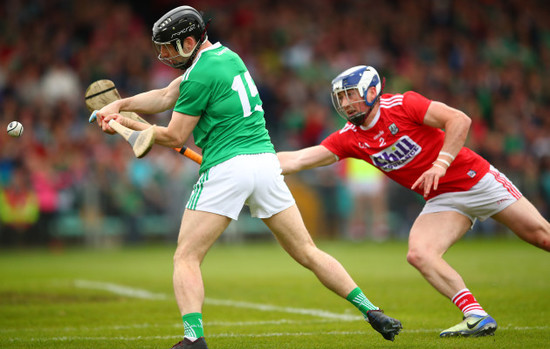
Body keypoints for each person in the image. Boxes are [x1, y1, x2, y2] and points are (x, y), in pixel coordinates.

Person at [94, 8, 402, 349]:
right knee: (307, 251)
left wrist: (131, 125)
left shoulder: (199, 75)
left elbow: (174, 137)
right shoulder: (227, 57)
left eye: (169, 47)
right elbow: (167, 95)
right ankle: (372, 310)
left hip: (227, 169)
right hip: (266, 165)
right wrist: (120, 106)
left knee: (186, 256)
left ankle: (193, 338)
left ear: (190, 41)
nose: (163, 55)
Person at [277, 65, 550, 338]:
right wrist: (251, 164)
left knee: (541, 236)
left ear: (372, 91)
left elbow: (459, 120)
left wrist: (441, 165)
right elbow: (299, 159)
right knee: (420, 254)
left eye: (351, 95)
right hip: (442, 199)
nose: (346, 104)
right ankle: (475, 315)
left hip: (475, 179)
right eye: (341, 98)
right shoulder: (351, 137)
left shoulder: (403, 105)